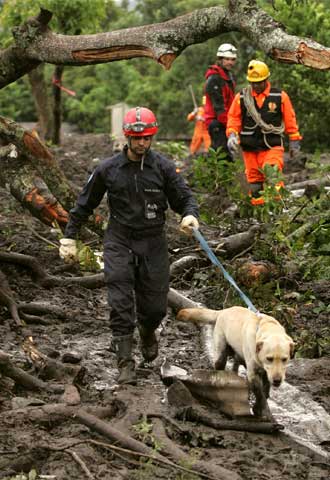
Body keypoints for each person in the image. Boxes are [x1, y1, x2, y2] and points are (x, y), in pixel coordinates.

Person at [59, 107, 199, 385]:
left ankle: (148, 332)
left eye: (147, 138)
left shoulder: (163, 167)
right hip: (120, 240)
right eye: (137, 139)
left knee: (155, 307)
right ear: (127, 137)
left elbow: (184, 197)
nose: (142, 143)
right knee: (120, 301)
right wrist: (69, 237)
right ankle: (125, 363)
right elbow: (84, 204)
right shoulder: (107, 169)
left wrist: (189, 214)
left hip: (153, 241)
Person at [226, 60, 302, 205]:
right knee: (254, 182)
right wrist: (232, 135)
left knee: (273, 175)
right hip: (250, 147)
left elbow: (290, 120)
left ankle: (279, 210)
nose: (256, 86)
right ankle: (259, 214)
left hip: (272, 145)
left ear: (266, 79)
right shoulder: (241, 98)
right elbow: (233, 119)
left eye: (259, 82)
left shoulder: (280, 97)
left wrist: (294, 142)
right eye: (253, 83)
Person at [204, 43, 237, 158]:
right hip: (216, 121)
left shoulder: (229, 77)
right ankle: (213, 174)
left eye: (232, 59)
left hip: (226, 120)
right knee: (221, 155)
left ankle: (213, 173)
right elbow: (219, 107)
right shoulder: (214, 79)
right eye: (227, 59)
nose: (230, 62)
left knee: (225, 154)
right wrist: (231, 127)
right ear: (220, 59)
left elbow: (232, 102)